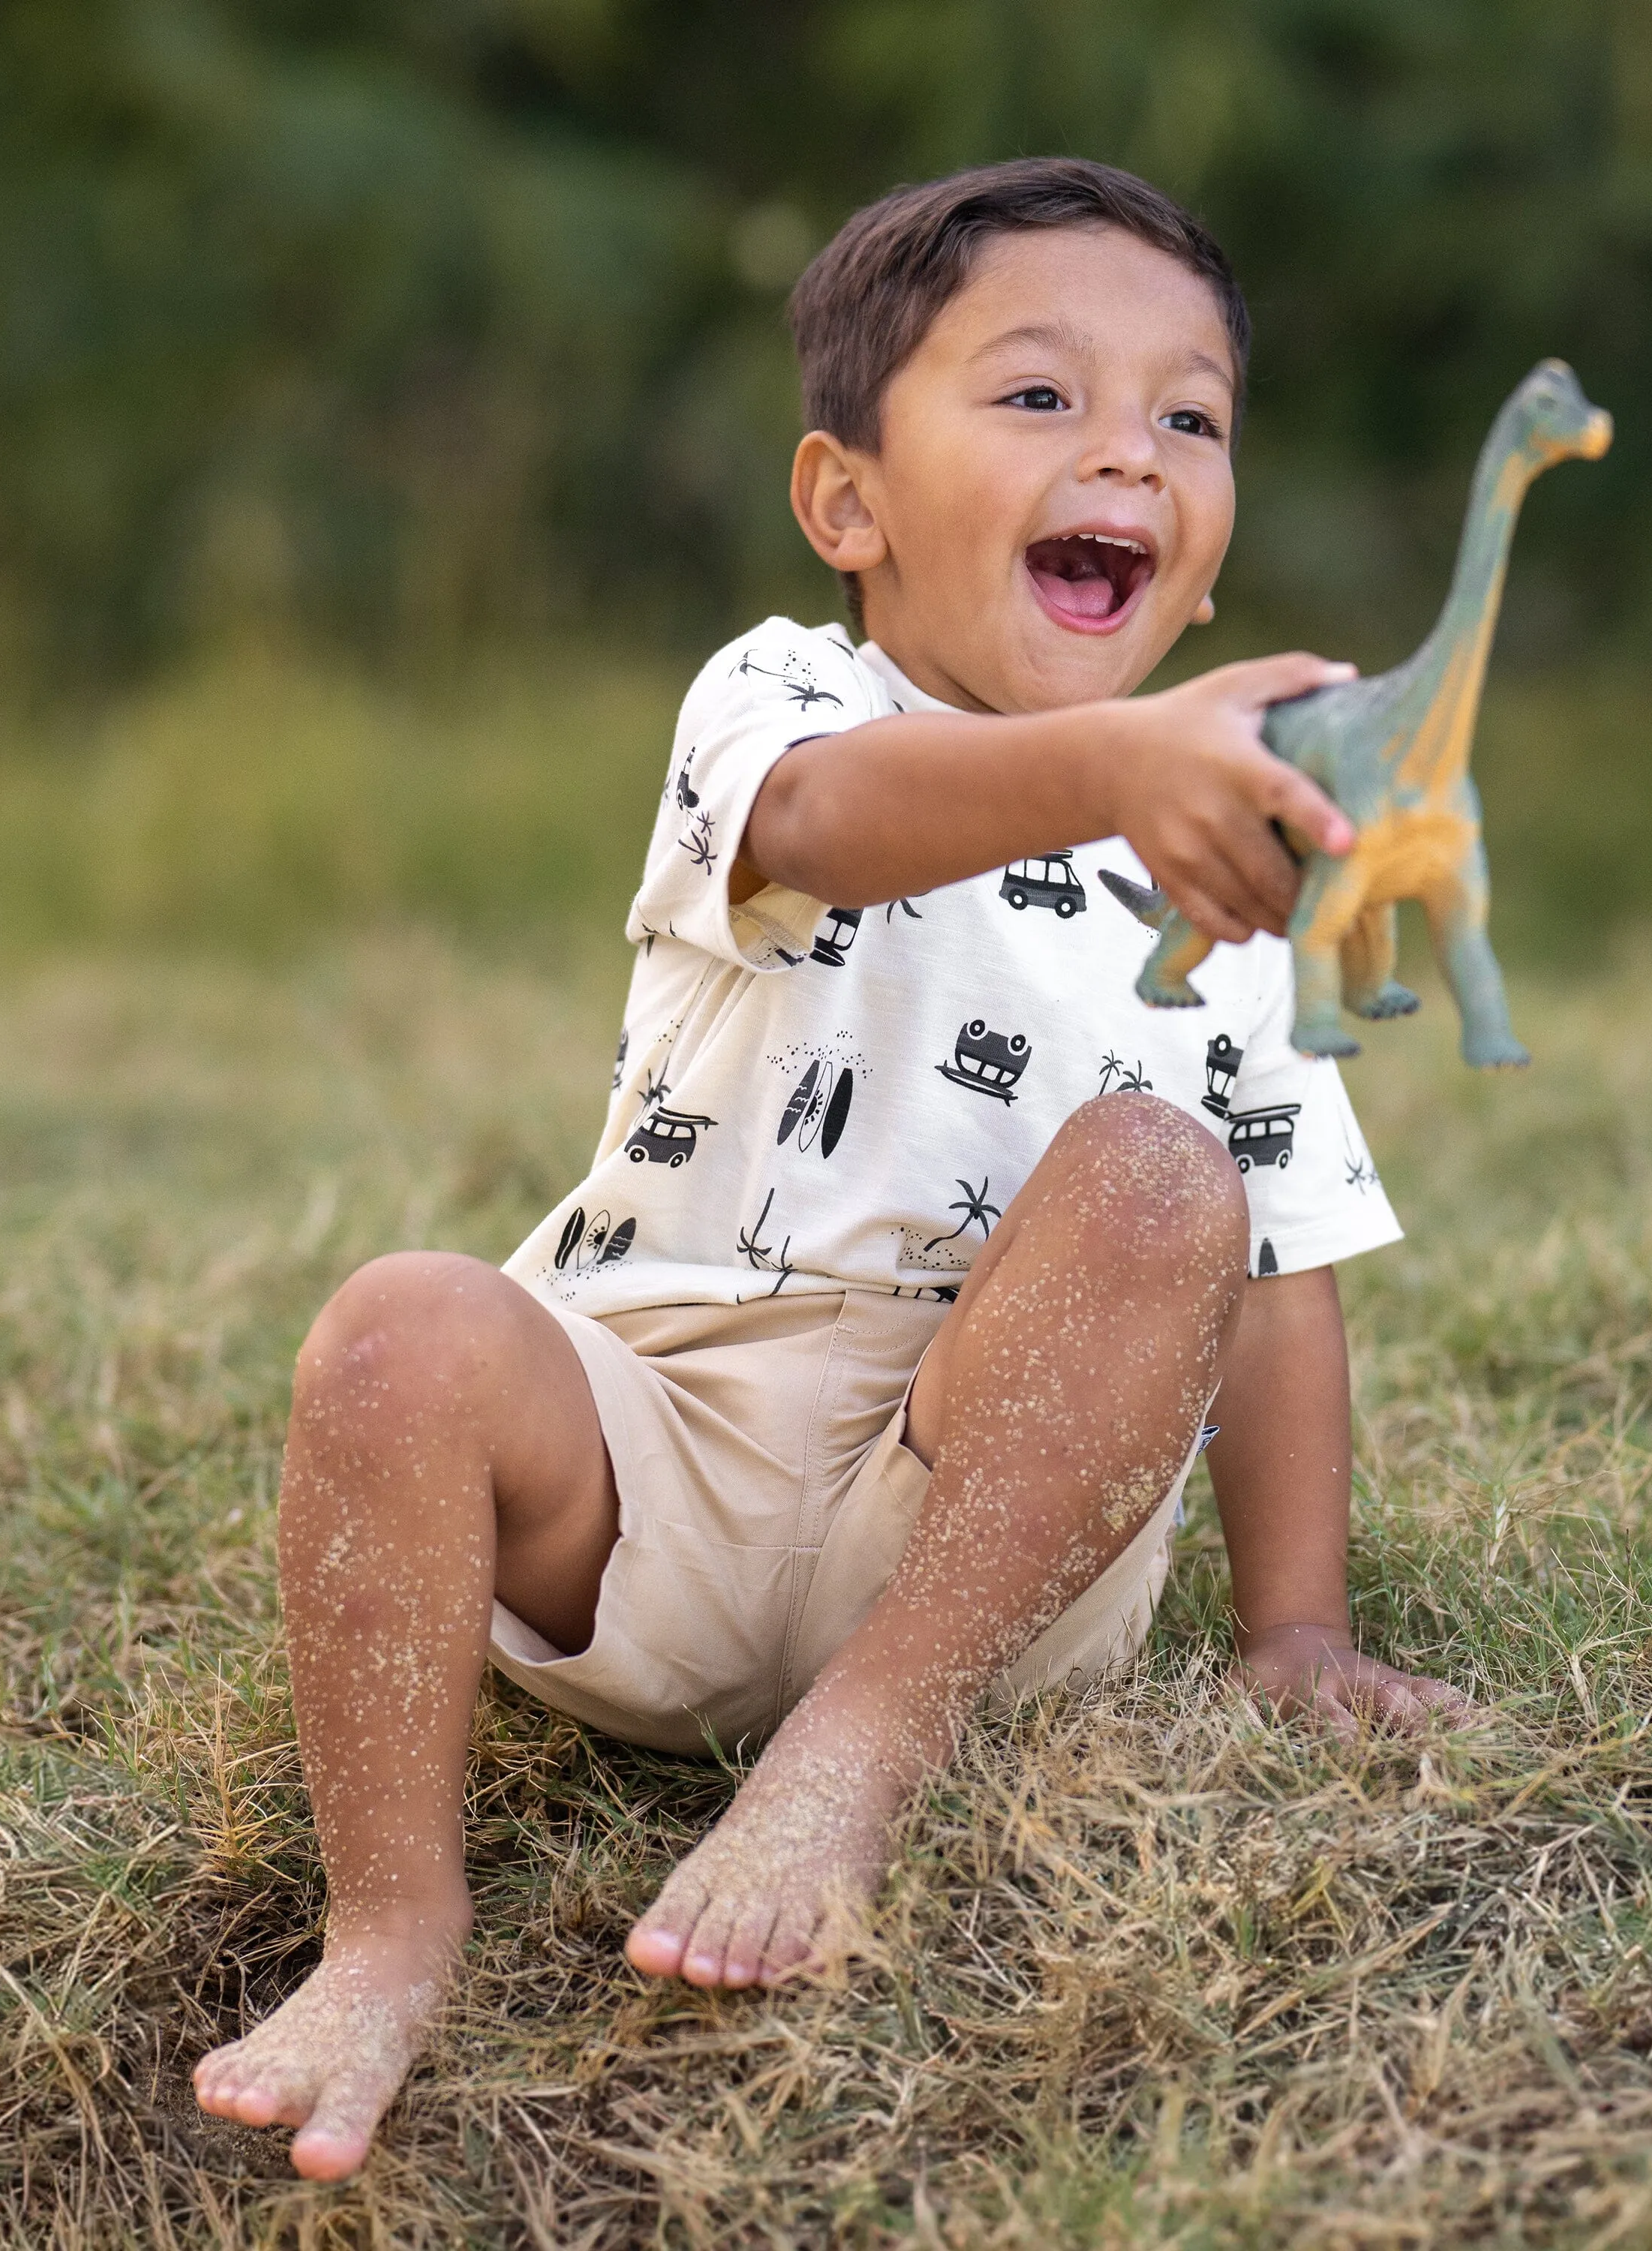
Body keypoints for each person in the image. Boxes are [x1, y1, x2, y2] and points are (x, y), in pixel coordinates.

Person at [193, 156, 1471, 2182]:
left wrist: (1293, 1625)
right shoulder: (783, 698)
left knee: (1167, 1177)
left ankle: (858, 1749)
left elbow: (1283, 1253)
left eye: (1190, 416)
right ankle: (388, 1928)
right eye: (1041, 397)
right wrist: (1120, 766)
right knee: (399, 1333)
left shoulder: (1222, 867)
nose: (1126, 447)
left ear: (1209, 564)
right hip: (649, 1471)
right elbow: (838, 818)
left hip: (985, 1536)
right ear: (847, 503)